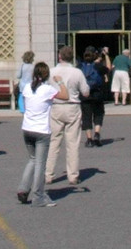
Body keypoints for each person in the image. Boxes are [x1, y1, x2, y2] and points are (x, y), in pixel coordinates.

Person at [17, 62, 67, 207]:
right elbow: (65, 95)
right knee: (40, 164)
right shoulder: (47, 89)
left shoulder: (27, 87)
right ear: (46, 75)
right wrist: (60, 82)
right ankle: (38, 196)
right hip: (41, 130)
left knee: (32, 159)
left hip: (27, 128)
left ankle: (23, 189)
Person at [44, 45, 90, 186]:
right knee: (72, 143)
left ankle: (48, 175)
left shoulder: (51, 72)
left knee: (54, 142)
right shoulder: (77, 72)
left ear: (60, 57)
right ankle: (73, 175)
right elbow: (86, 92)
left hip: (56, 107)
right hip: (72, 106)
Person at [80, 46, 110, 147]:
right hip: (97, 94)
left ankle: (89, 139)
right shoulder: (98, 66)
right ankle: (97, 134)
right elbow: (108, 69)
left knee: (86, 116)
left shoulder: (80, 66)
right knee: (98, 114)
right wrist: (106, 56)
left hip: (85, 94)